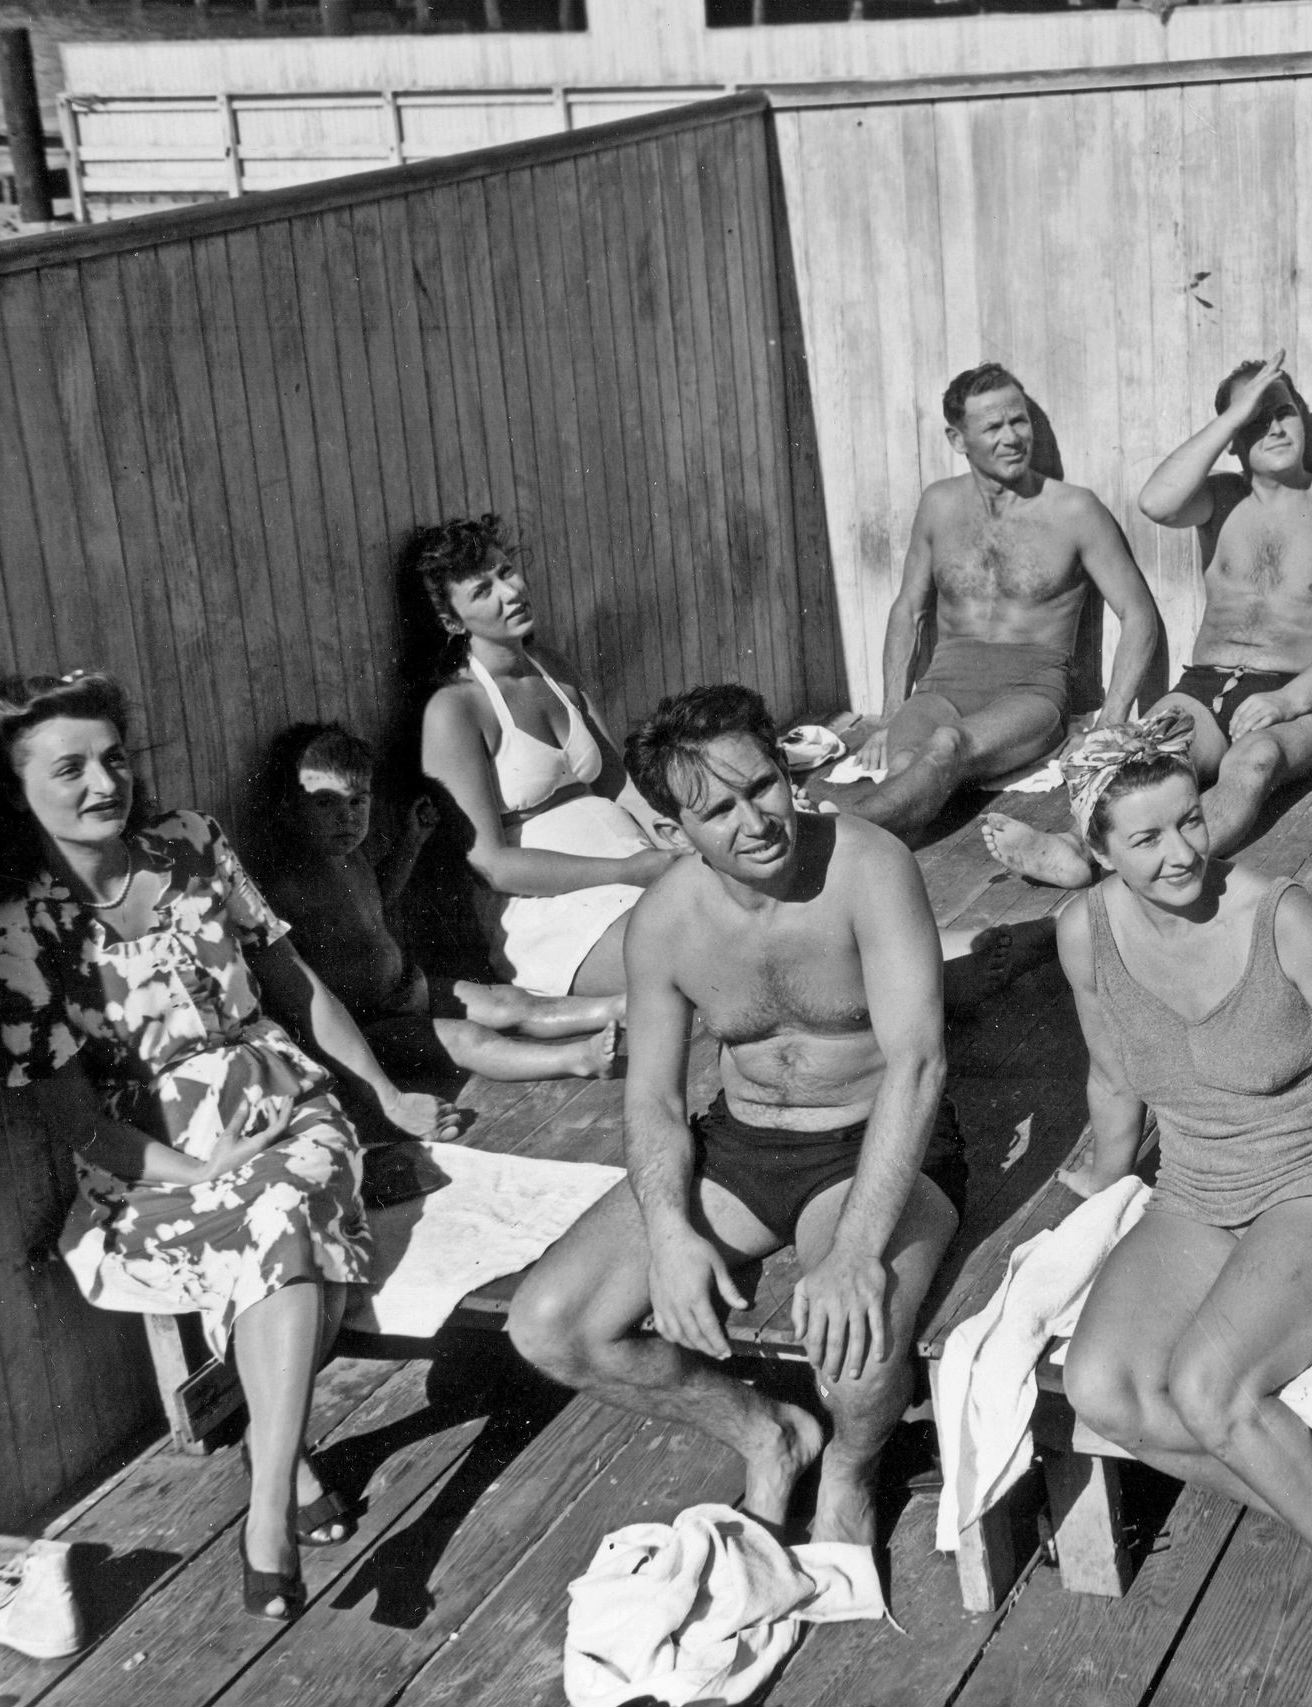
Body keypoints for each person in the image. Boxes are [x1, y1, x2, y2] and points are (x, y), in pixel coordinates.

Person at [0, 673, 460, 1625]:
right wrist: (200, 1170)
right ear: (16, 789)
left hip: (283, 1109)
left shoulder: (192, 844)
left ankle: (267, 1513)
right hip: (152, 1162)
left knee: (285, 1200)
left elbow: (294, 980)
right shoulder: (14, 937)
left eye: (114, 758)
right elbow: (81, 1126)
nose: (103, 783)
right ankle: (284, 1459)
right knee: (287, 1239)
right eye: (69, 769)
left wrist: (382, 1095)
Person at [506, 685, 961, 1546]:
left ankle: (850, 1471)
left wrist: (857, 1251)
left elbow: (918, 1062)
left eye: (762, 787)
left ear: (787, 772)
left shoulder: (869, 867)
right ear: (675, 832)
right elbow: (654, 1097)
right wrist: (670, 1232)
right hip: (744, 1144)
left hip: (875, 1140)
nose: (755, 822)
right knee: (551, 1327)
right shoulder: (663, 923)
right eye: (718, 811)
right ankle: (766, 1433)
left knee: (854, 1352)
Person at [1049, 714, 1312, 1707]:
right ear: (1099, 850)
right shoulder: (1084, 932)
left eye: (1191, 821)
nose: (1182, 853)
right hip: (1197, 1188)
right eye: (1145, 838)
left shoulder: (1280, 917)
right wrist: (1095, 1187)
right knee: (1101, 1387)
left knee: (1206, 1386)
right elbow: (1113, 1078)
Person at [983, 350, 1312, 888]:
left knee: (1254, 763)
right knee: (1141, 756)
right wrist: (1232, 416)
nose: (1274, 427)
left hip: (1294, 696)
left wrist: (1288, 701)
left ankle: (1169, 864)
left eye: (1283, 411)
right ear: (1233, 435)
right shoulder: (1220, 499)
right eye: (1256, 418)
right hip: (1203, 685)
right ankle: (1076, 849)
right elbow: (1156, 502)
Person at [834, 362, 1162, 845]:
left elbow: (1139, 614)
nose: (1012, 438)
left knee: (947, 746)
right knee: (904, 766)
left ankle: (830, 835)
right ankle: (853, 846)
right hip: (941, 687)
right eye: (993, 427)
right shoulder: (939, 504)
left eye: (1019, 420)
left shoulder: (1074, 509)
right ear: (958, 439)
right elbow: (909, 609)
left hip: (1031, 693)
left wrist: (1109, 722)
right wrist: (890, 716)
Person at [257, 722, 625, 1083]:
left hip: (407, 988)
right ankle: (577, 1058)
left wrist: (412, 841)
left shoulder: (351, 857)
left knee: (507, 1001)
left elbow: (377, 900)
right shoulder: (290, 882)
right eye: (325, 803)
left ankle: (617, 1007)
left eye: (357, 801)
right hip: (365, 1026)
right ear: (289, 811)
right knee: (468, 1039)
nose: (347, 817)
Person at [413, 515, 682, 998]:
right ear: (452, 622)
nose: (510, 592)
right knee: (692, 952)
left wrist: (674, 832)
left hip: (639, 860)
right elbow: (490, 864)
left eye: (506, 571)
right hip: (551, 909)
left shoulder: (550, 666)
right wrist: (629, 872)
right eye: (483, 591)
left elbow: (616, 783)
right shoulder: (454, 710)